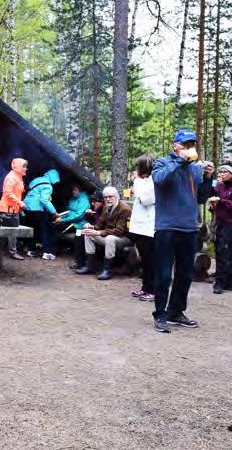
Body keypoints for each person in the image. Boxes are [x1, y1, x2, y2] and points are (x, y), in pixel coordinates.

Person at [151, 129, 214, 333]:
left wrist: (206, 177)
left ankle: (175, 312)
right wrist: (181, 161)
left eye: (191, 145)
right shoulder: (162, 163)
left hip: (189, 227)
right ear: (175, 146)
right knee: (163, 275)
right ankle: (160, 315)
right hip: (167, 227)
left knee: (186, 274)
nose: (189, 148)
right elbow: (160, 180)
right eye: (185, 144)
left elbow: (202, 197)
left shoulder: (195, 169)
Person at [75, 186, 132, 280]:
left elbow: (120, 231)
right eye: (105, 197)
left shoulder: (124, 209)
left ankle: (107, 270)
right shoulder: (106, 207)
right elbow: (100, 223)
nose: (108, 199)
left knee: (110, 238)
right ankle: (90, 266)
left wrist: (99, 232)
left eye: (110, 196)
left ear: (116, 197)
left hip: (123, 238)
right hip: (109, 234)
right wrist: (92, 227)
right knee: (88, 234)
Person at [209, 161, 232, 294]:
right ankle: (229, 282)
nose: (221, 174)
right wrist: (213, 181)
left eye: (224, 172)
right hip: (220, 222)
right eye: (220, 172)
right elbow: (212, 192)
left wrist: (223, 202)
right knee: (224, 252)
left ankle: (220, 283)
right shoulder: (220, 185)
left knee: (224, 251)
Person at [129, 154, 157, 302]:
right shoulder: (144, 181)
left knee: (151, 260)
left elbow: (146, 199)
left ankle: (152, 290)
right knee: (145, 260)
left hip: (149, 227)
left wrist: (137, 181)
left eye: (138, 166)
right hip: (140, 227)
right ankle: (145, 288)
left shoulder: (153, 181)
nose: (136, 169)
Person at [23, 169, 60, 260]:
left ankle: (30, 250)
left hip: (27, 207)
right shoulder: (48, 186)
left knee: (32, 229)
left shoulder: (36, 180)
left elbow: (32, 192)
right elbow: (44, 200)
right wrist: (54, 212)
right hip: (37, 209)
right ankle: (47, 252)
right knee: (45, 230)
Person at [55, 183, 90, 269]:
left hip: (78, 224)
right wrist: (60, 217)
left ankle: (54, 251)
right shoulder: (73, 199)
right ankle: (54, 250)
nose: (73, 192)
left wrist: (63, 220)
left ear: (80, 191)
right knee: (54, 225)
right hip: (70, 221)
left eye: (75, 190)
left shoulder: (84, 200)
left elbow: (79, 215)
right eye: (72, 190)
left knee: (58, 228)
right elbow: (69, 212)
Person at [0, 158, 28, 260]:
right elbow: (7, 193)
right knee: (7, 232)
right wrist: (20, 203)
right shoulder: (11, 177)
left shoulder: (18, 177)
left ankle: (10, 252)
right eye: (24, 166)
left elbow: (17, 193)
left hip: (13, 209)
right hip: (7, 209)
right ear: (18, 166)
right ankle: (4, 252)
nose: (26, 169)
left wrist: (19, 205)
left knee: (12, 233)